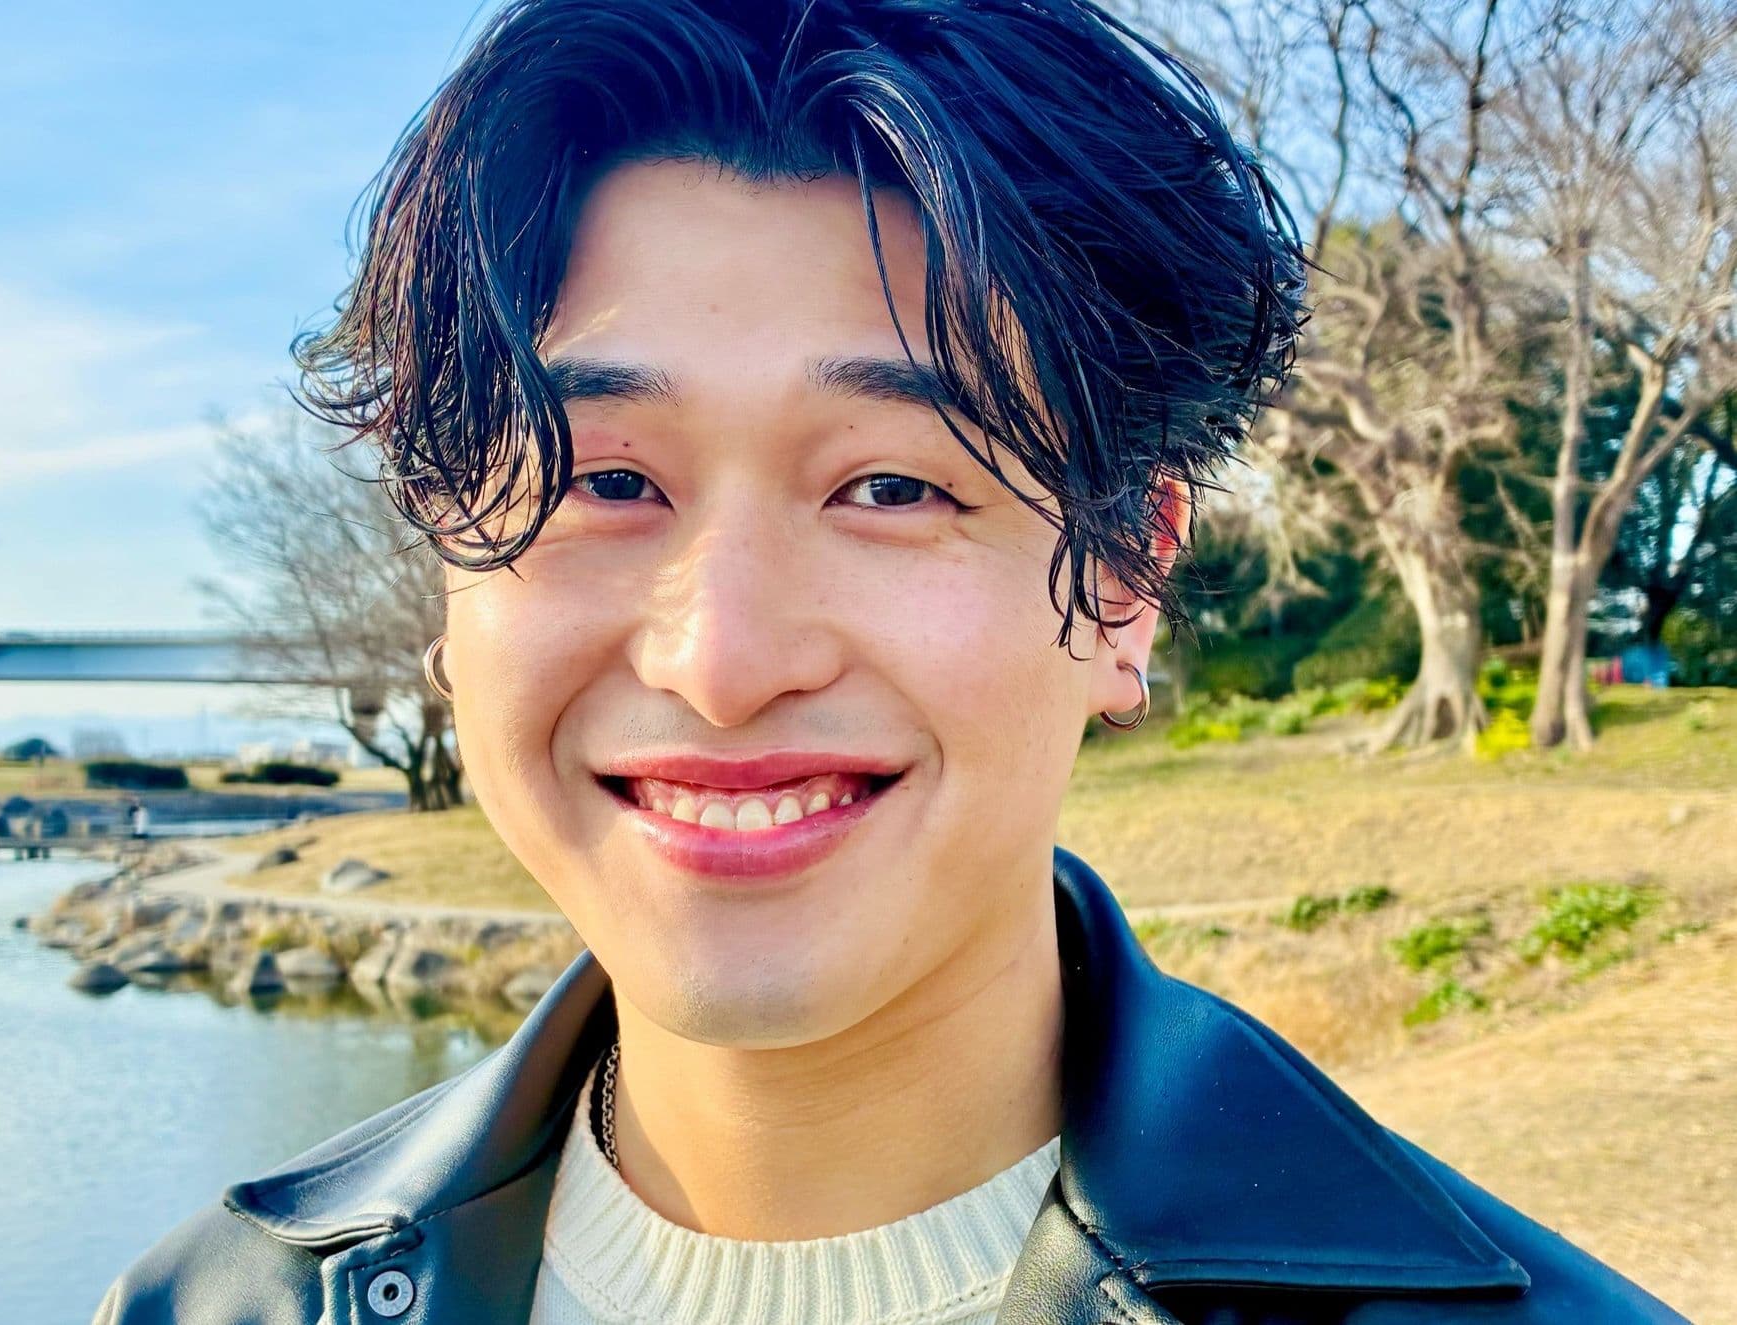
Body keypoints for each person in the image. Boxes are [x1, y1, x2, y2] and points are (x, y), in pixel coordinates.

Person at [95, 1, 1685, 1321]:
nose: (722, 662)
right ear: (449, 565)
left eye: (890, 488)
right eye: (605, 479)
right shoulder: (213, 1301)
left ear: (1124, 576)